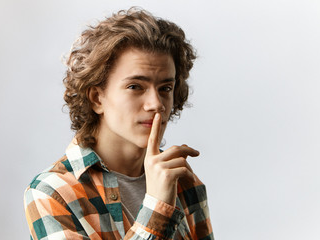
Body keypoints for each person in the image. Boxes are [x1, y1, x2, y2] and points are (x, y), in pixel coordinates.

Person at [24, 7, 214, 240]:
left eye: (165, 88)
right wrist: (157, 208)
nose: (156, 104)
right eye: (135, 86)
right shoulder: (51, 193)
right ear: (96, 98)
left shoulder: (181, 178)